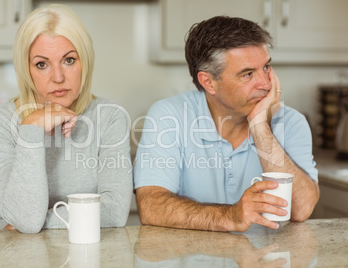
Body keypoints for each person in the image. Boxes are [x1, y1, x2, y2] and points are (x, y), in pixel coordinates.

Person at [134, 16, 319, 232]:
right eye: (248, 74)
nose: (266, 84)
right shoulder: (169, 116)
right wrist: (230, 216)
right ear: (208, 82)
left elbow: (302, 209)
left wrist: (260, 128)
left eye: (266, 67)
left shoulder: (291, 122)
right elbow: (151, 206)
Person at [0, 4, 132, 233]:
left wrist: (40, 221)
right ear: (26, 69)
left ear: (85, 62)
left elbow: (115, 211)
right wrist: (30, 128)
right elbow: (26, 220)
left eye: (69, 60)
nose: (58, 77)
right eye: (42, 64)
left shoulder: (110, 116)